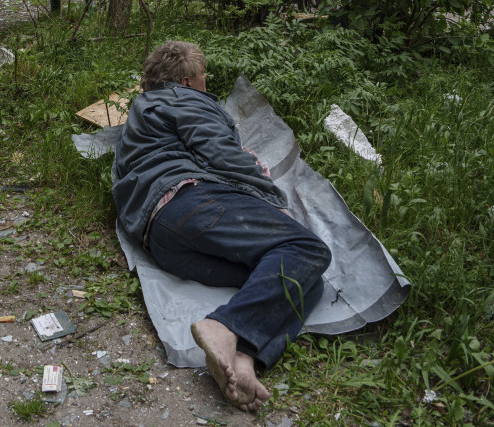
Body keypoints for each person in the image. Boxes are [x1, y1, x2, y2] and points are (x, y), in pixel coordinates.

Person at [112, 41, 332, 412]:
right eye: (204, 78)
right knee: (307, 249)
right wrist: (272, 198)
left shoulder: (141, 116)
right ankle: (221, 326)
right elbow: (219, 151)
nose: (206, 85)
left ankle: (244, 355)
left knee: (304, 280)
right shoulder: (184, 99)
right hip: (190, 202)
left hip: (164, 239)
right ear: (187, 81)